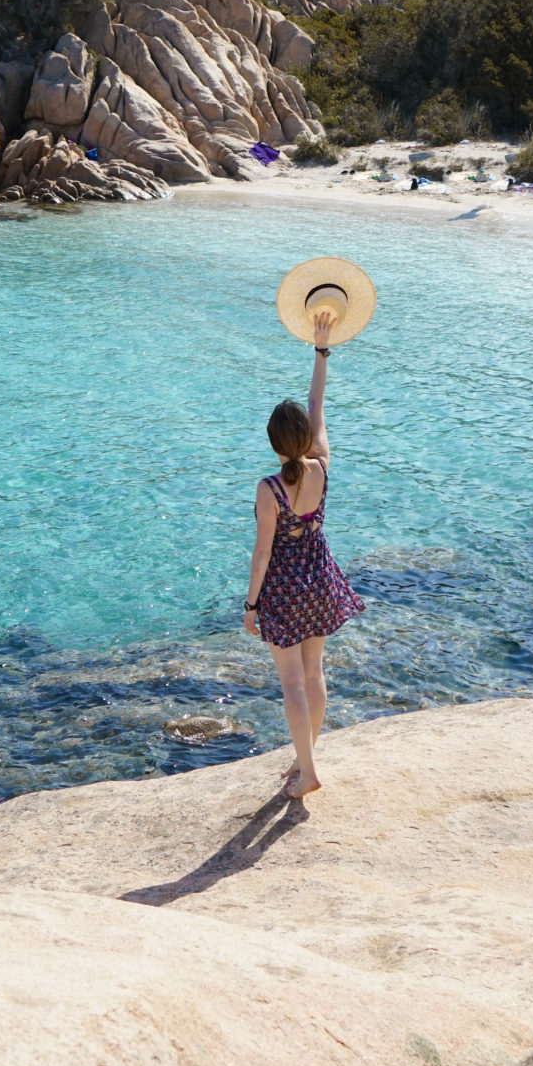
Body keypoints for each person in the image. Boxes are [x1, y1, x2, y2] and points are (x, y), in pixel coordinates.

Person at [243, 307, 365, 799]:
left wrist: (251, 605)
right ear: (306, 440)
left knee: (292, 682)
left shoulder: (269, 488)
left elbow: (261, 556)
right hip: (320, 579)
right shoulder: (322, 466)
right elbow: (318, 401)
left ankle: (308, 770)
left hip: (283, 589)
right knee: (314, 674)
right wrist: (321, 348)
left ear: (273, 444)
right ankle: (303, 760)